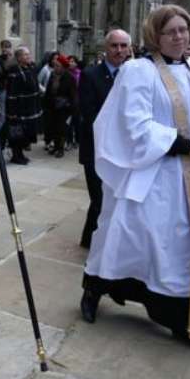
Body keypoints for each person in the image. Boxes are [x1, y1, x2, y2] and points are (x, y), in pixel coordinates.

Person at [80, 5, 190, 358]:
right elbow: (135, 125)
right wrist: (186, 145)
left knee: (186, 251)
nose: (179, 36)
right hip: (158, 173)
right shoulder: (138, 71)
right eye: (170, 31)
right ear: (155, 37)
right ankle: (93, 289)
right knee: (127, 235)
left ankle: (189, 320)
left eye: (183, 30)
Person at [77, 29, 131, 249]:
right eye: (114, 46)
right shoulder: (91, 75)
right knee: (99, 199)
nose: (119, 50)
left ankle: (101, 241)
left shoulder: (133, 73)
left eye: (123, 46)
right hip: (97, 149)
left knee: (115, 201)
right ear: (106, 48)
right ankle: (91, 242)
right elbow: (90, 116)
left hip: (124, 150)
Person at [5, 46, 42, 164]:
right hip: (19, 108)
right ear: (19, 57)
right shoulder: (14, 72)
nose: (28, 56)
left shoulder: (30, 68)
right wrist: (12, 112)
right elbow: (11, 93)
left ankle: (21, 153)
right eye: (25, 55)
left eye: (28, 54)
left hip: (30, 107)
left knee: (26, 133)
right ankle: (16, 155)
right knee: (17, 133)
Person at [41, 54, 77, 157]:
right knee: (53, 128)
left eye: (58, 66)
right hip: (52, 106)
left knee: (61, 129)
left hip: (64, 108)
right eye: (55, 65)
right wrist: (46, 104)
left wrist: (71, 107)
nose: (55, 67)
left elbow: (73, 95)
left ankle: (60, 149)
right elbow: (48, 90)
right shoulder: (52, 75)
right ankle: (55, 147)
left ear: (63, 67)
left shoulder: (70, 78)